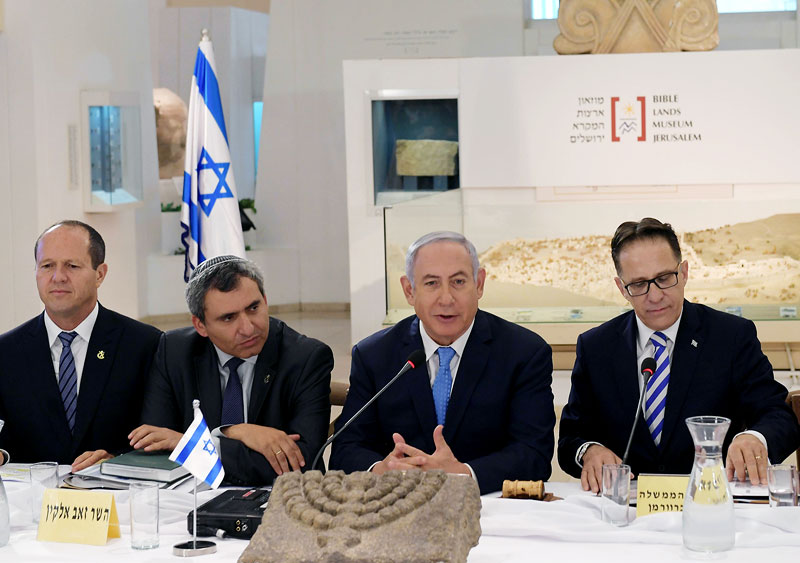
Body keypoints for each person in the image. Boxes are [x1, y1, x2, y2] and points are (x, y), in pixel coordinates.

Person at [558, 218, 800, 492]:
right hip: (628, 510)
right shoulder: (596, 347)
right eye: (638, 284)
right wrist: (589, 451)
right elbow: (570, 438)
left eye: (664, 278)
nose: (655, 296)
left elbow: (777, 415)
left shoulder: (730, 336)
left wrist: (755, 438)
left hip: (713, 502)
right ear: (621, 288)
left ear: (683, 272)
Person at [329, 231, 555, 495]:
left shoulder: (524, 352)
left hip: (490, 507)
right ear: (409, 290)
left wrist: (463, 474)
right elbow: (345, 449)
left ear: (479, 284)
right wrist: (381, 469)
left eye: (458, 281)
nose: (446, 298)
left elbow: (534, 453)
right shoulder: (374, 355)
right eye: (432, 283)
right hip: (398, 506)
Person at [132, 255, 333, 486]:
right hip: (189, 501)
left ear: (265, 301)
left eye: (254, 308)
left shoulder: (306, 358)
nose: (248, 328)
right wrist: (237, 433)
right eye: (229, 318)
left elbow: (300, 463)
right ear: (200, 325)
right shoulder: (174, 351)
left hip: (278, 501)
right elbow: (156, 446)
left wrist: (204, 441)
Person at [0, 220, 161, 470]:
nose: (58, 277)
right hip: (31, 502)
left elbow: (162, 436)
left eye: (72, 266)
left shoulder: (144, 344)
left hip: (116, 498)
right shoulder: (6, 352)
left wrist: (118, 460)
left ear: (100, 274)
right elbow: (6, 439)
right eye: (47, 266)